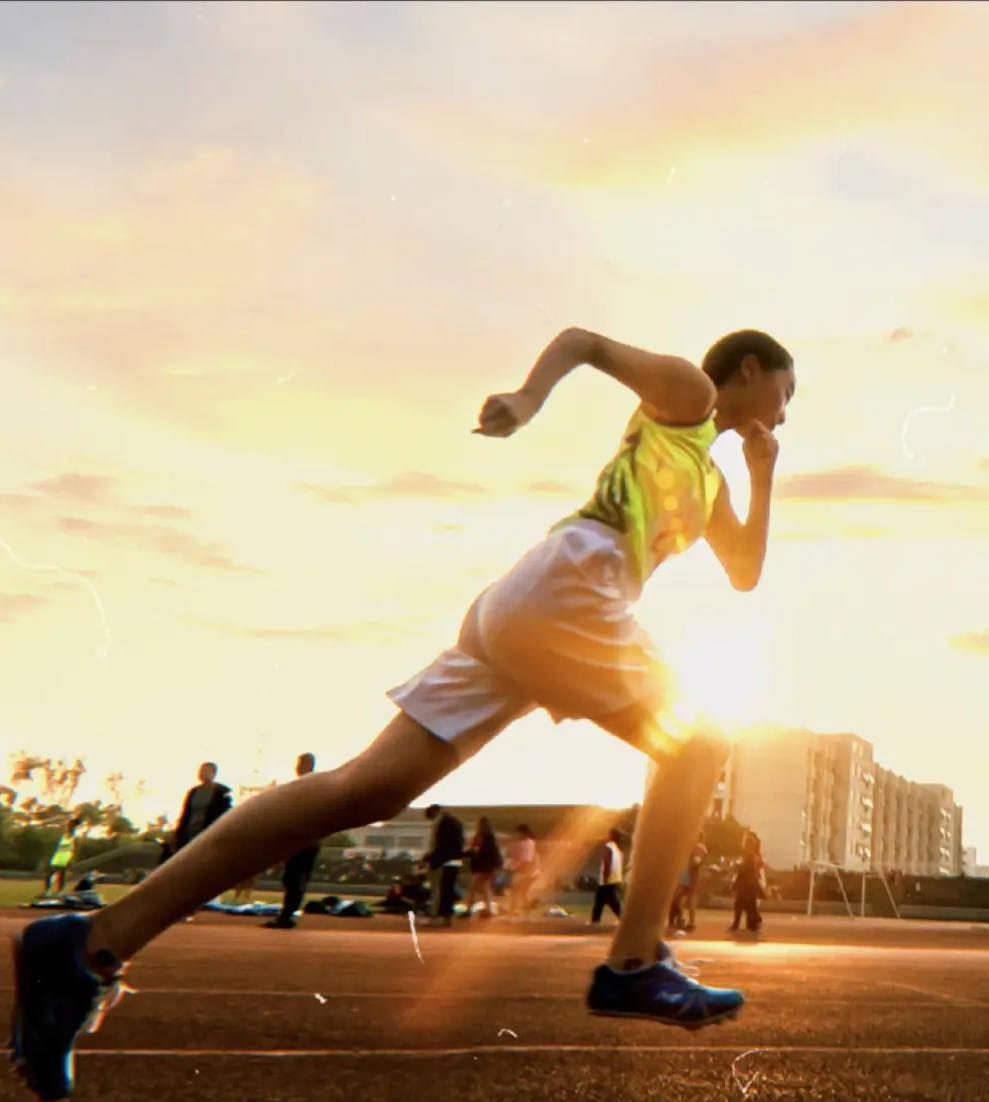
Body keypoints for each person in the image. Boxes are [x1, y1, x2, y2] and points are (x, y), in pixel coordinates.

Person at [9, 325, 792, 1099]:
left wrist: (761, 475)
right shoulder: (688, 396)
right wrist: (528, 399)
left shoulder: (714, 482)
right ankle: (635, 962)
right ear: (750, 370)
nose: (786, 413)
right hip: (572, 589)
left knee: (365, 789)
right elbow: (584, 341)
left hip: (536, 608)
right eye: (785, 393)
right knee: (698, 742)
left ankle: (91, 942)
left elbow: (745, 571)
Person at [264, 754, 320, 929]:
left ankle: (287, 914)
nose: (297, 767)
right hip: (300, 839)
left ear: (308, 766)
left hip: (305, 840)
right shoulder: (305, 786)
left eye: (301, 764)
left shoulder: (312, 787)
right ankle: (288, 913)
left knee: (295, 878)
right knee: (292, 878)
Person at [421, 804, 467, 928]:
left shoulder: (442, 824)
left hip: (443, 861)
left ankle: (437, 916)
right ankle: (446, 917)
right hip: (455, 860)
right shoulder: (455, 822)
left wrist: (428, 859)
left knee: (439, 890)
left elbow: (440, 846)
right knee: (448, 890)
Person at [172, 763, 232, 854]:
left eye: (205, 770)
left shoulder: (222, 792)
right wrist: (179, 833)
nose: (202, 773)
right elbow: (185, 813)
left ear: (213, 773)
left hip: (209, 833)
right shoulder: (193, 791)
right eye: (201, 771)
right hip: (190, 833)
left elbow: (225, 814)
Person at [465, 817, 503, 920]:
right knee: (486, 888)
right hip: (489, 867)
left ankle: (470, 908)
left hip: (481, 867)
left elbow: (476, 852)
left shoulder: (479, 837)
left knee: (474, 888)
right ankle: (489, 909)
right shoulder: (491, 838)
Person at [670, 831, 708, 932]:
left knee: (685, 898)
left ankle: (689, 922)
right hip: (687, 874)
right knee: (680, 898)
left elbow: (697, 861)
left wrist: (692, 863)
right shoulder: (696, 847)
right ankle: (682, 920)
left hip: (690, 875)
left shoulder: (699, 847)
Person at [730, 831, 765, 934]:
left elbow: (745, 873)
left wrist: (735, 885)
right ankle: (753, 922)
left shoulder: (749, 858)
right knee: (748, 906)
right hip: (749, 886)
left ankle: (752, 921)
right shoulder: (750, 857)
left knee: (741, 905)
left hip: (746, 886)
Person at [590, 828, 625, 926]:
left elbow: (607, 861)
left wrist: (605, 875)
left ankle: (595, 921)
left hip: (608, 877)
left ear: (611, 836)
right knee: (609, 900)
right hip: (615, 877)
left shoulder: (609, 846)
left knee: (601, 900)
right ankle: (621, 918)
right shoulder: (618, 848)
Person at [505, 824, 539, 920]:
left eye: (517, 833)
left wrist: (512, 867)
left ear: (523, 833)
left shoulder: (528, 843)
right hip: (527, 872)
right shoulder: (525, 843)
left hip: (527, 872)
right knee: (520, 893)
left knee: (517, 892)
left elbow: (526, 860)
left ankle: (514, 913)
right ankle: (523, 913)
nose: (516, 835)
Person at [42, 819, 80, 898]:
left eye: (70, 825)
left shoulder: (74, 837)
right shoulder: (64, 835)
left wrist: (72, 859)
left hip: (65, 857)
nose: (68, 826)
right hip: (58, 856)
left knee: (61, 875)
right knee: (50, 874)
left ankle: (58, 892)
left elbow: (75, 849)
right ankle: (47, 891)